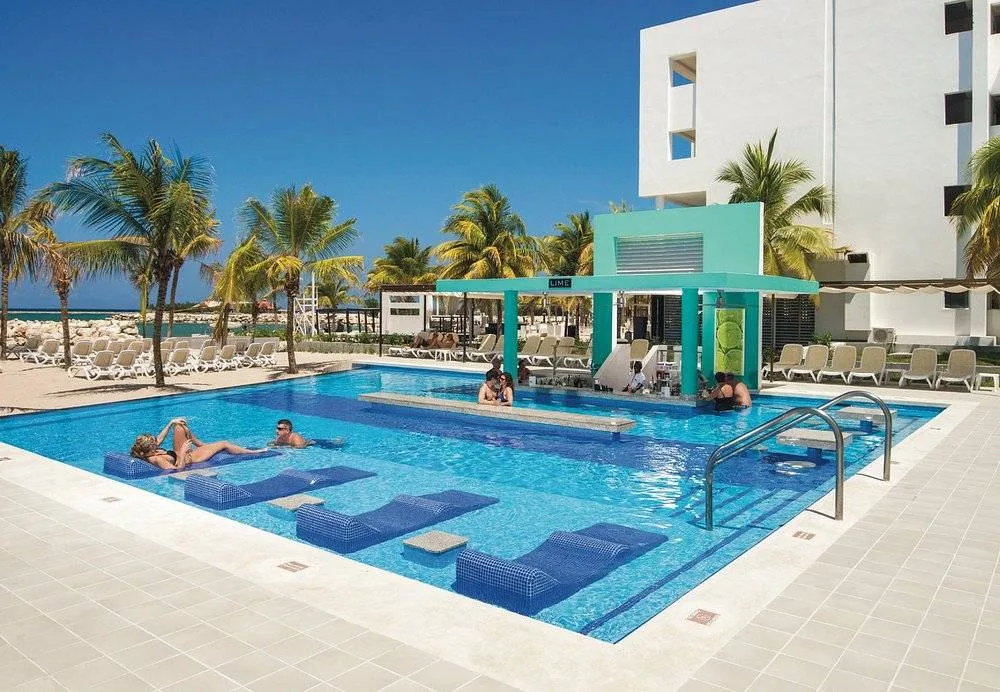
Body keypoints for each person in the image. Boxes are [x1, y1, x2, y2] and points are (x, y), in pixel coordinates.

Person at [130, 419, 266, 470]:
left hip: (178, 452)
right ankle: (253, 452)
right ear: (148, 451)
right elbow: (176, 471)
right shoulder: (157, 459)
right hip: (190, 458)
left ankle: (201, 444)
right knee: (224, 444)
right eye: (154, 446)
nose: (157, 445)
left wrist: (171, 422)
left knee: (179, 425)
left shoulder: (147, 451)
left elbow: (159, 439)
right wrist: (183, 453)